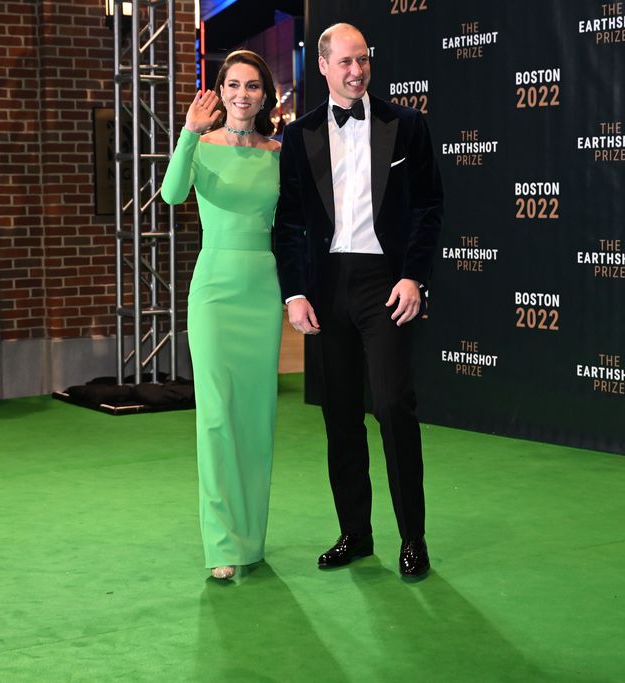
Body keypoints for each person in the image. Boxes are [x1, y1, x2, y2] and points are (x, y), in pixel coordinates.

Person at [275, 23, 443, 577]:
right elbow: (290, 221)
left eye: (363, 60)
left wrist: (413, 276)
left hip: (383, 283)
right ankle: (355, 533)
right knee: (340, 415)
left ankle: (412, 538)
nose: (356, 70)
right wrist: (295, 293)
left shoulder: (407, 126)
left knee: (394, 406)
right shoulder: (298, 136)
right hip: (327, 287)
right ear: (322, 66)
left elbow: (428, 208)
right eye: (345, 61)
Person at [162, 50, 282, 581]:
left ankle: (251, 539)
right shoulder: (201, 146)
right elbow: (170, 194)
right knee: (215, 418)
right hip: (213, 291)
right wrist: (188, 132)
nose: (241, 94)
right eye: (232, 85)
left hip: (262, 289)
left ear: (264, 94)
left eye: (252, 86)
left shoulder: (280, 152)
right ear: (218, 91)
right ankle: (221, 545)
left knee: (256, 419)